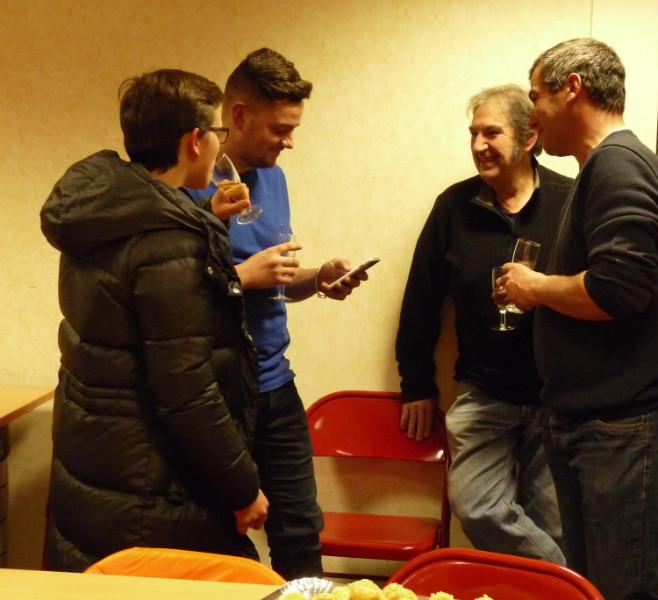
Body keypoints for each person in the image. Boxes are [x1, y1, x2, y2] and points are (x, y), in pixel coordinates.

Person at [39, 69, 269, 572]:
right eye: (218, 132)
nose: (220, 145)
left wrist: (204, 213)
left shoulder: (102, 213)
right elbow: (187, 389)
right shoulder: (169, 244)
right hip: (151, 484)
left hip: (101, 463)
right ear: (195, 140)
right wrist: (243, 488)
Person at [500, 38, 658, 600]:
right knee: (593, 591)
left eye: (536, 96)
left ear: (573, 88)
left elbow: (618, 289)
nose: (531, 114)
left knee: (620, 593)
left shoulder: (617, 165)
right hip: (603, 427)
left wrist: (536, 287)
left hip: (627, 432)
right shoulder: (605, 167)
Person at [188, 47, 367, 580]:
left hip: (276, 383)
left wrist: (318, 278)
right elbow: (173, 295)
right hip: (218, 393)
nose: (289, 142)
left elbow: (276, 284)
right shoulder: (188, 183)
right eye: (280, 129)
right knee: (219, 540)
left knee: (300, 530)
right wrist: (244, 276)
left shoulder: (274, 177)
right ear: (239, 115)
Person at [395, 84, 572, 564]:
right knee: (476, 507)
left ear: (529, 136)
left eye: (491, 133)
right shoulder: (453, 206)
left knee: (553, 524)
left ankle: (554, 588)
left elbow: (598, 291)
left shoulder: (570, 201)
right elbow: (421, 298)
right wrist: (416, 383)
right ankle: (575, 585)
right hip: (484, 392)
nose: (478, 145)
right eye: (473, 133)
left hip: (555, 398)